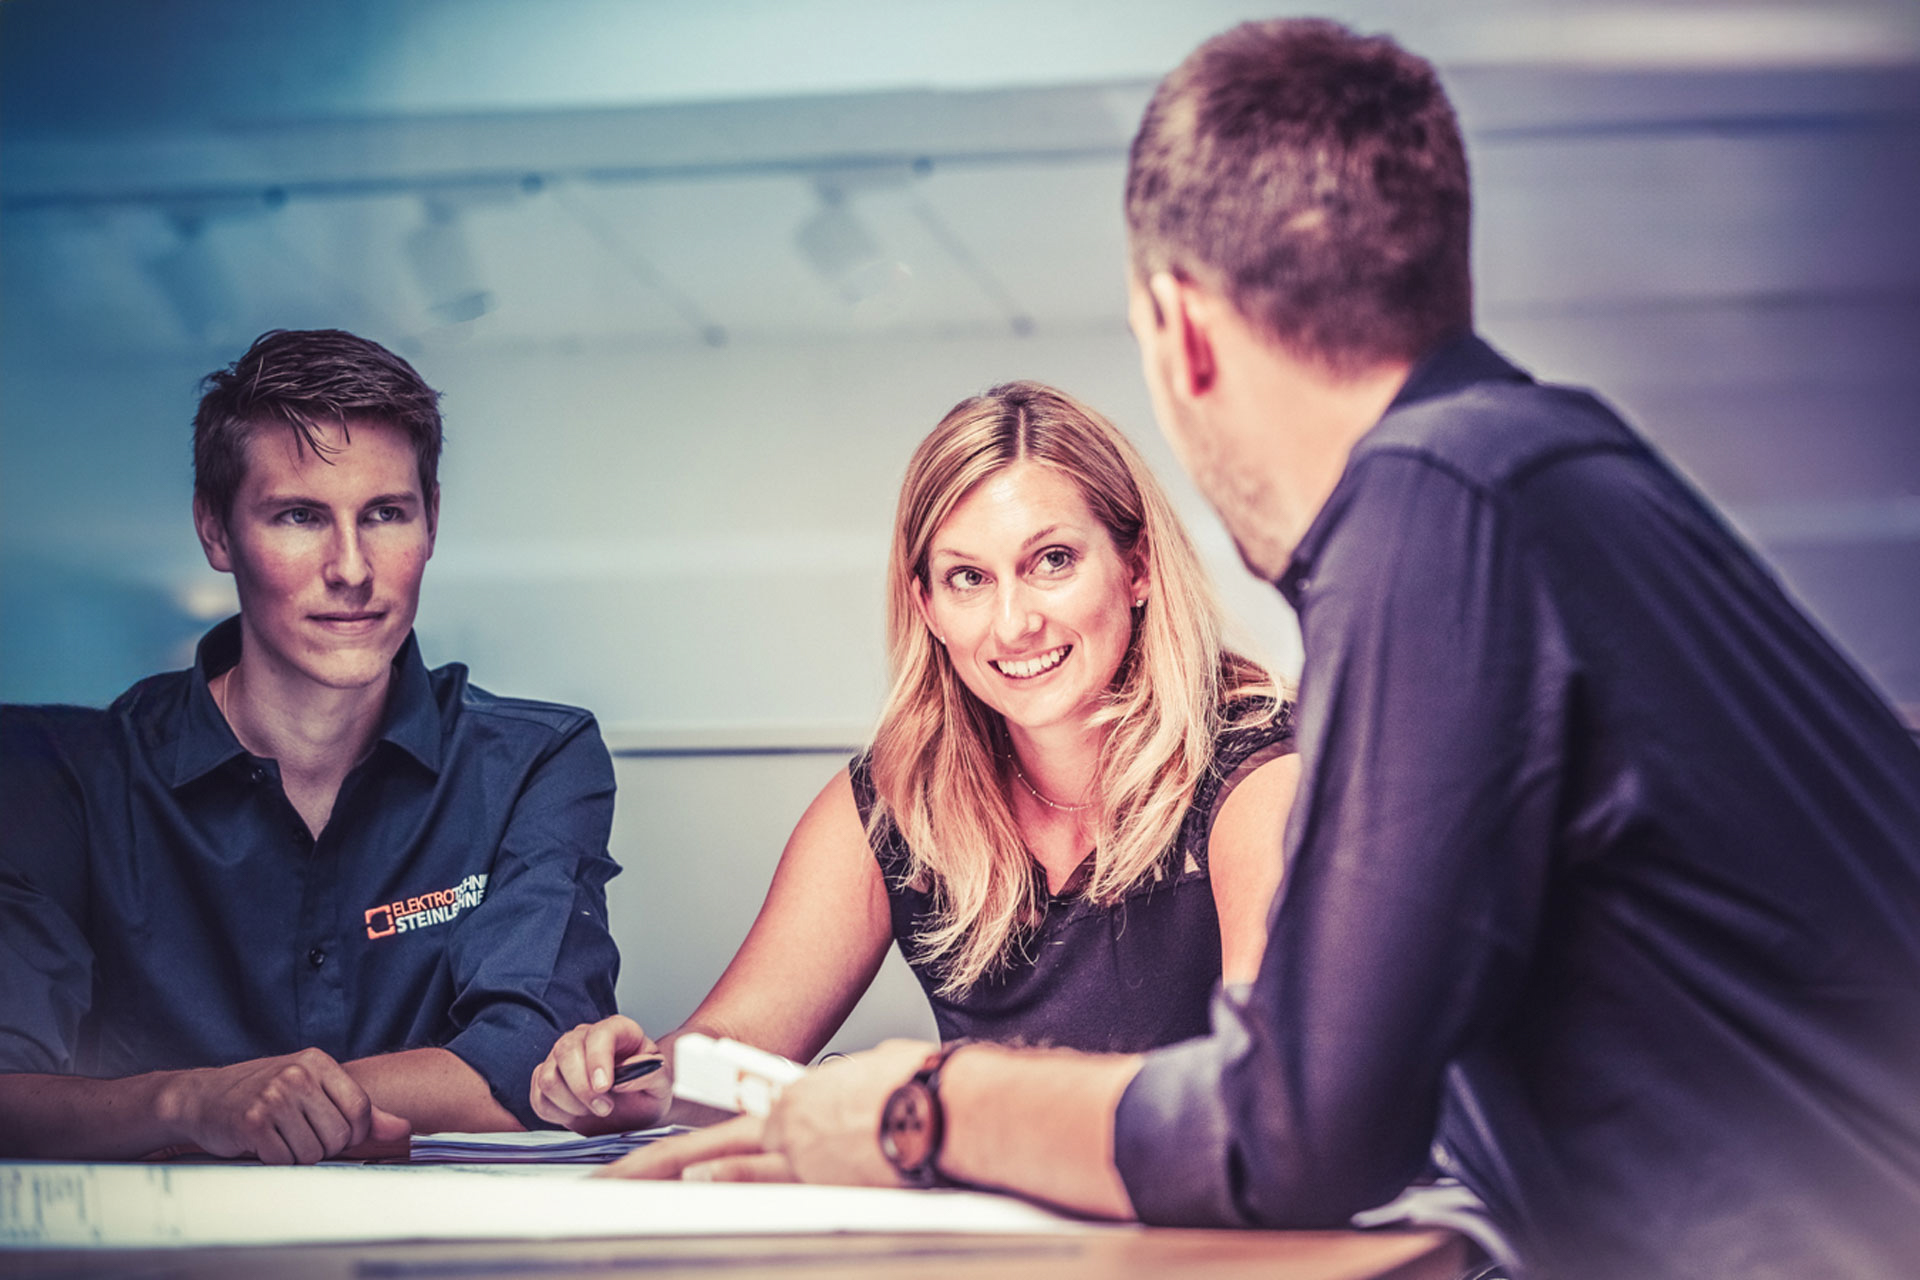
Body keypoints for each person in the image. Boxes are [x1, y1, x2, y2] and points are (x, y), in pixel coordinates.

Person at [607, 19, 1920, 1280]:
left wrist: (924, 1106)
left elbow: (1297, 1130)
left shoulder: (1431, 510)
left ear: (1177, 328)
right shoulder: (1548, 466)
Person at [529, 381, 1298, 1134]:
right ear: (927, 604)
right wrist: (633, 1083)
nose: (1014, 623)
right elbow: (731, 1051)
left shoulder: (1259, 770)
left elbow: (1265, 1085)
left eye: (1053, 561)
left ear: (1137, 569)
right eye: (968, 578)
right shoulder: (900, 797)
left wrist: (924, 1099)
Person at [0, 329, 622, 1164]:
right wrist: (192, 1100)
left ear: (431, 521)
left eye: (385, 514)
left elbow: (532, 1062)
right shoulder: (58, 776)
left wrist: (273, 1101)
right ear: (216, 532)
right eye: (299, 516)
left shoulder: (534, 762)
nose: (352, 568)